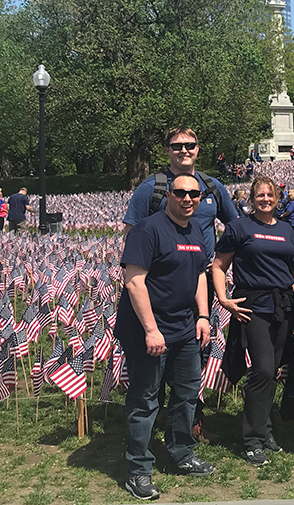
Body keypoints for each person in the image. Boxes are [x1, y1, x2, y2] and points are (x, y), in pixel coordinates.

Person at [122, 127, 237, 440]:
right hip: (157, 287)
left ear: (198, 149)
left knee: (196, 353)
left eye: (190, 145)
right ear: (167, 150)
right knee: (154, 356)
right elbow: (131, 236)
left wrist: (219, 260)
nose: (184, 150)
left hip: (200, 283)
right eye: (177, 146)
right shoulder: (152, 188)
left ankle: (190, 419)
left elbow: (236, 227)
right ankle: (152, 419)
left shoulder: (213, 188)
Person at [116, 173, 214, 499]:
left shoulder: (197, 229)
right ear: (168, 194)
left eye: (194, 194)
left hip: (186, 329)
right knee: (145, 400)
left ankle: (182, 454)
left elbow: (200, 273)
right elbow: (134, 282)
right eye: (180, 192)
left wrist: (202, 315)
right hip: (149, 331)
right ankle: (138, 469)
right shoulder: (147, 230)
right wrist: (151, 330)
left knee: (186, 396)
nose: (187, 198)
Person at [212, 176, 294, 467]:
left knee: (273, 371)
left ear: (278, 199)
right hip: (253, 307)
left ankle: (265, 431)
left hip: (283, 306)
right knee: (262, 369)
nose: (265, 199)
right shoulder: (239, 227)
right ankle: (251, 438)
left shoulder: (288, 229)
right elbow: (219, 264)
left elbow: (292, 271)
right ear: (252, 199)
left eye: (270, 195)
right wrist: (224, 299)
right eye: (260, 195)